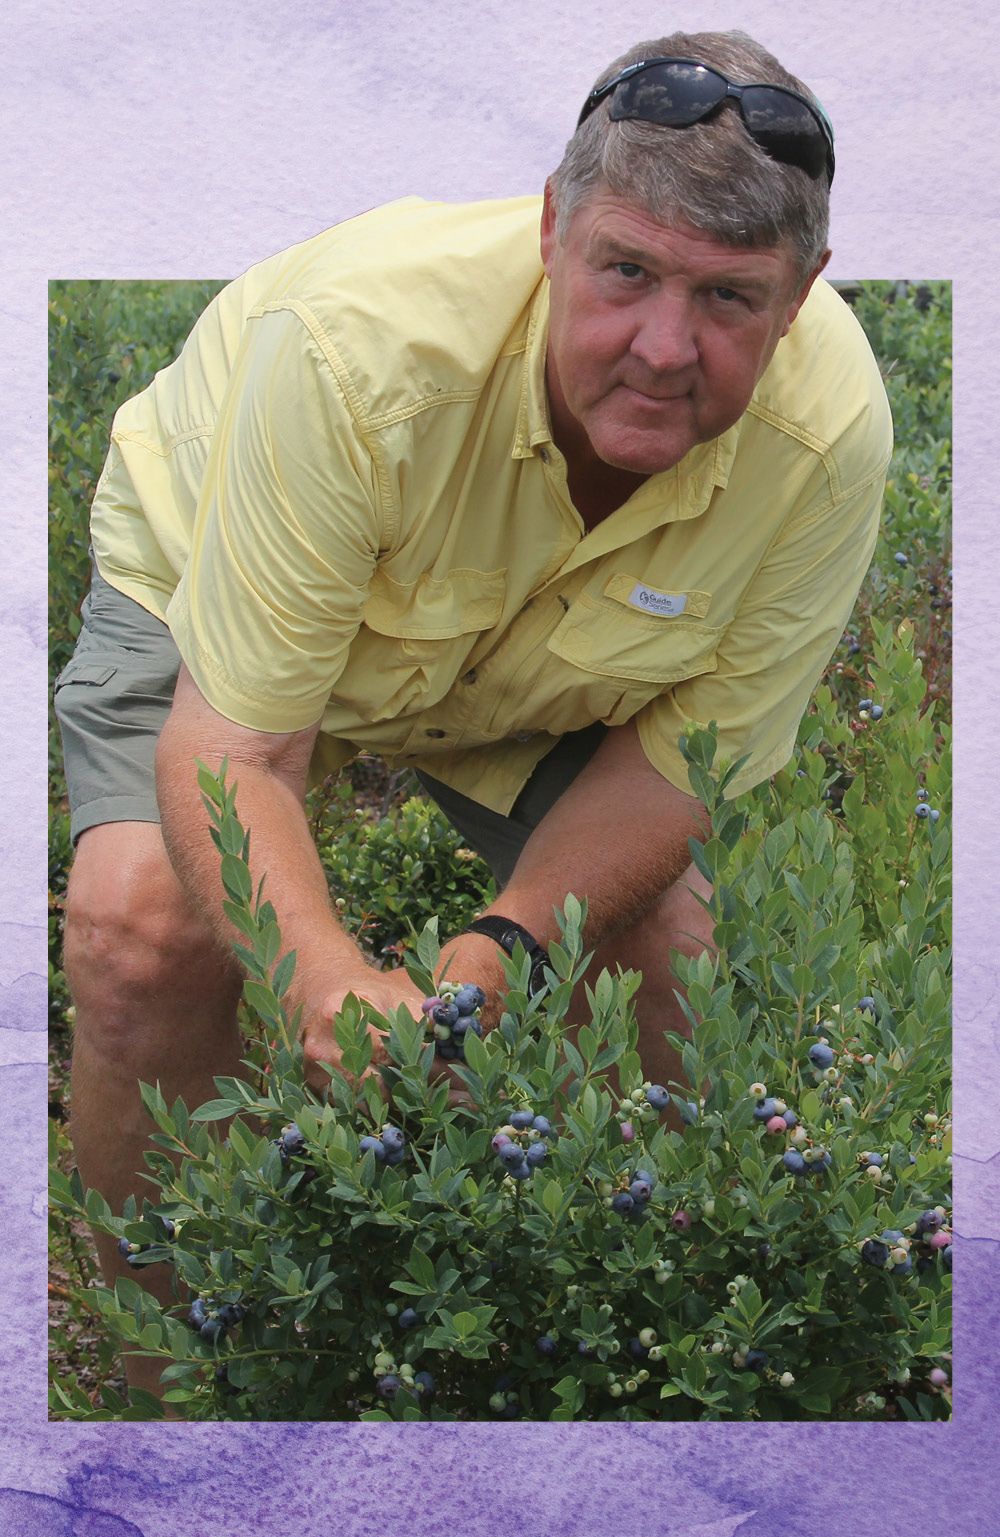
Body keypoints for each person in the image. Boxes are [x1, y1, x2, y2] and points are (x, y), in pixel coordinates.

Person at [54, 30, 892, 1363]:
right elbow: (240, 749)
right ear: (554, 228)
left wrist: (505, 945)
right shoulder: (355, 348)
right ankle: (174, 1382)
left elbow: (684, 768)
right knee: (144, 929)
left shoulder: (828, 434)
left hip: (552, 670)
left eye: (730, 299)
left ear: (802, 297)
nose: (666, 349)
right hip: (230, 584)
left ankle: (616, 1358)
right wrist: (325, 983)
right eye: (627, 272)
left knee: (668, 965)